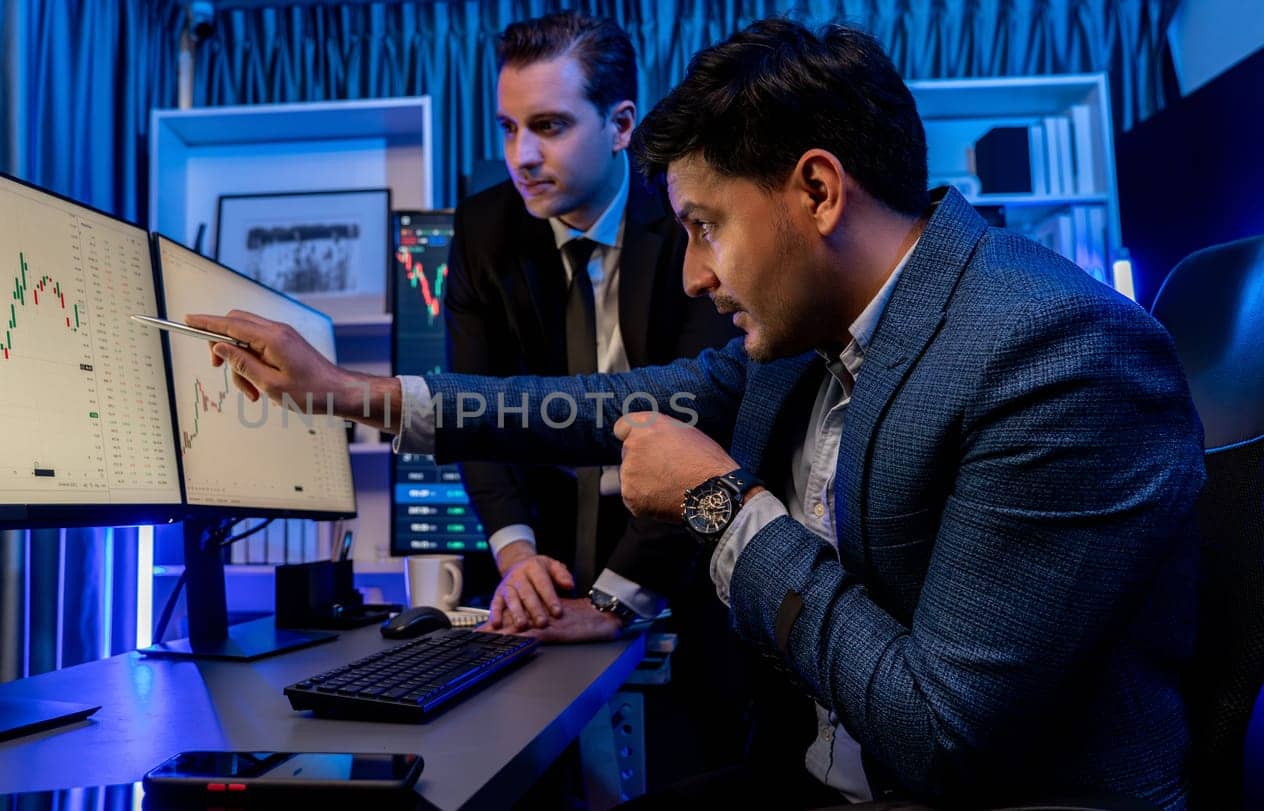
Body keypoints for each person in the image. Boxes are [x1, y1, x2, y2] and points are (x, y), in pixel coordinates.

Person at [186, 18, 1203, 809]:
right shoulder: (803, 343)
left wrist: (719, 503)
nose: (694, 274)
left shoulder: (1055, 353)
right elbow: (593, 406)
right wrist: (351, 393)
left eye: (707, 228)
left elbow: (940, 729)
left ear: (815, 191)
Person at [447, 11, 733, 640]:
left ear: (621, 125)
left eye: (549, 127)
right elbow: (473, 410)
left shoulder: (688, 216)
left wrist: (618, 601)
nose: (521, 156)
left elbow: (699, 419)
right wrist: (516, 556)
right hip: (542, 546)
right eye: (509, 128)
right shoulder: (481, 230)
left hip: (679, 548)